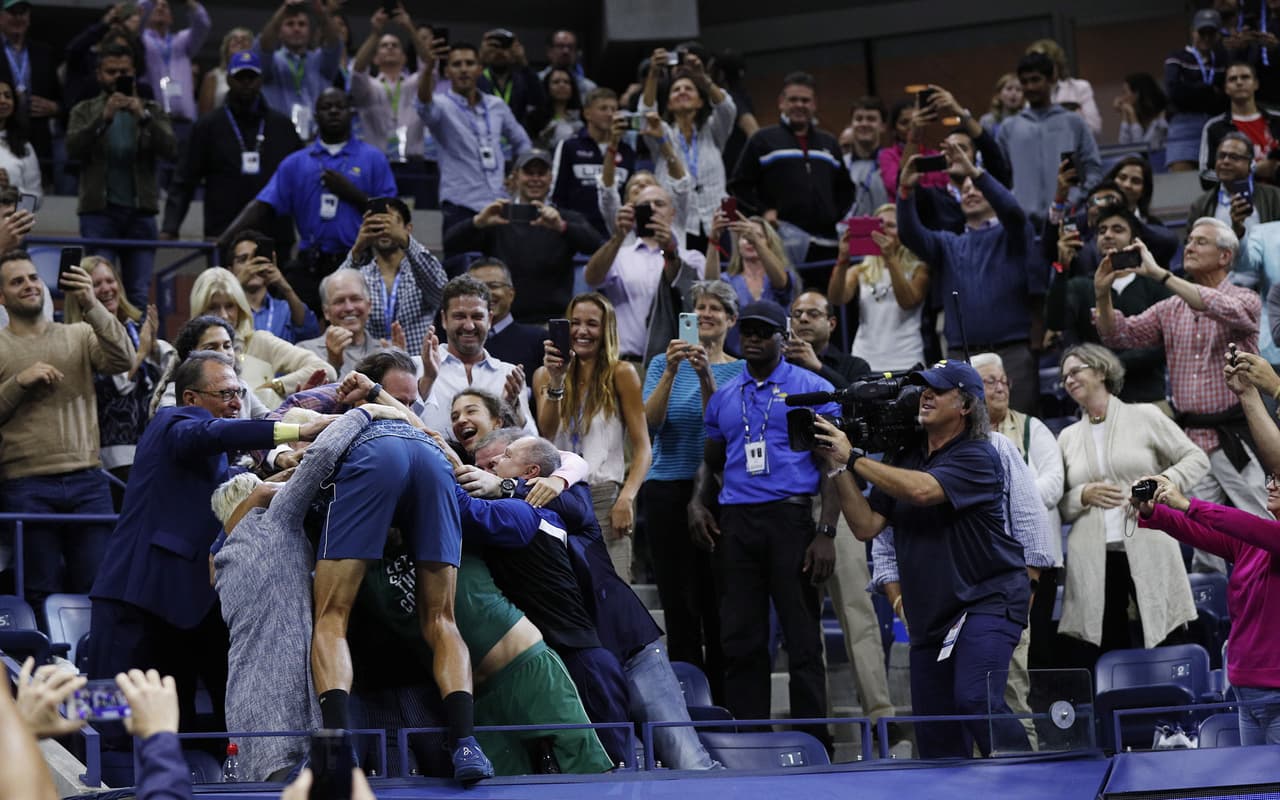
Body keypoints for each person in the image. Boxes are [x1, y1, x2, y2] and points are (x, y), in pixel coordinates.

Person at [87, 351, 334, 783]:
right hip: (135, 600)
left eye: (239, 392)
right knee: (111, 723)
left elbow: (234, 479)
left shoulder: (217, 454)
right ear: (190, 397)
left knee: (176, 727)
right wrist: (301, 428)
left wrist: (283, 466)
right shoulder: (171, 424)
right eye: (225, 393)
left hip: (190, 608)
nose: (236, 401)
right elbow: (214, 433)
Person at [817, 359, 1030, 758]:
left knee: (974, 700)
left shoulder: (978, 455)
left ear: (965, 405)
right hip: (933, 612)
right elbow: (865, 525)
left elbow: (921, 492)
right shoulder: (905, 456)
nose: (925, 394)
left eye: (938, 388)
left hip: (987, 600)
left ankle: (1032, 782)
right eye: (923, 387)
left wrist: (855, 458)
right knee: (936, 737)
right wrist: (836, 465)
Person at [470, 430, 719, 771]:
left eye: (497, 460)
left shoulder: (568, 493)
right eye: (481, 468)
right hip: (580, 657)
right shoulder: (500, 520)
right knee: (629, 767)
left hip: (628, 645)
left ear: (531, 469)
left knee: (687, 758)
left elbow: (567, 471)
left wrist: (513, 485)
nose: (487, 472)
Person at [210, 404, 403, 781]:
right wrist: (363, 413)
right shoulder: (271, 524)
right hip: (286, 709)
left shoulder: (227, 555)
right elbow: (321, 457)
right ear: (258, 496)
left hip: (246, 707)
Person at [307, 412, 493, 782]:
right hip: (431, 457)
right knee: (442, 620)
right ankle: (466, 744)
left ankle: (337, 750)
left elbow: (310, 457)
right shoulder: (409, 418)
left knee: (331, 616)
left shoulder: (332, 414)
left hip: (374, 454)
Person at [689, 300, 839, 749]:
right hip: (736, 523)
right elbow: (712, 459)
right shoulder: (725, 396)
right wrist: (697, 501)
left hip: (791, 518)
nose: (752, 338)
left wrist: (826, 532)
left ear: (783, 335)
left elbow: (833, 465)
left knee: (803, 637)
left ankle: (815, 742)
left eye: (763, 331)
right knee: (741, 637)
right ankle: (751, 741)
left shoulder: (812, 387)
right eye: (747, 331)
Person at [1131, 348, 1280, 742]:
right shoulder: (1252, 543)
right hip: (1245, 689)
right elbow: (1202, 534)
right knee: (1255, 787)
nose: (1272, 483)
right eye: (1270, 478)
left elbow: (1237, 522)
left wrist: (1187, 501)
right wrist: (1156, 511)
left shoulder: (1266, 535)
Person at [1095, 220, 1270, 553]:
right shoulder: (1170, 307)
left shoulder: (1245, 297)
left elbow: (1224, 308)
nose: (1189, 246)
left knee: (1258, 527)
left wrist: (1160, 274)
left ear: (1225, 256)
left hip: (1238, 436)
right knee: (1203, 541)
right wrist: (1102, 292)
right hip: (1191, 442)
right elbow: (1116, 334)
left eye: (1200, 242)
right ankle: (1215, 604)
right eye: (1188, 240)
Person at [1055, 344, 1208, 665]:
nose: (1068, 380)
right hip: (1093, 557)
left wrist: (1156, 486)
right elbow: (1059, 505)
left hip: (1149, 541)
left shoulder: (1145, 415)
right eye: (1064, 376)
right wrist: (1081, 495)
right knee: (1105, 649)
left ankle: (1174, 713)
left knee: (1168, 638)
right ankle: (1115, 714)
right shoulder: (1067, 437)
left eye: (1075, 371)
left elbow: (1196, 458)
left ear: (1100, 371)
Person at [0, 251, 133, 618]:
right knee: (39, 589)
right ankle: (47, 671)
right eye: (17, 281)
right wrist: (18, 383)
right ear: (1, 297)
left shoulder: (79, 333)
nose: (29, 285)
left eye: (32, 278)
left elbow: (123, 358)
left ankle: (97, 667)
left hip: (87, 480)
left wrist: (90, 302)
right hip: (25, 484)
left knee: (99, 587)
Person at [641, 280, 741, 692]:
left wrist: (704, 376)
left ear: (731, 320)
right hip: (667, 488)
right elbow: (649, 422)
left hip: (719, 489)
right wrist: (670, 371)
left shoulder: (739, 368)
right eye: (698, 306)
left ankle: (722, 700)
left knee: (718, 601)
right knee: (679, 603)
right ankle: (689, 704)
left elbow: (725, 424)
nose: (705, 313)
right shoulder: (661, 364)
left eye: (716, 307)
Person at [897, 140, 1046, 414]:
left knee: (1018, 424)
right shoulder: (948, 243)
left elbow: (1012, 212)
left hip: (1011, 353)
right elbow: (909, 234)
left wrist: (976, 173)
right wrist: (905, 190)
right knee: (965, 434)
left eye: (976, 187)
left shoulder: (1014, 234)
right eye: (964, 189)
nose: (969, 190)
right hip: (961, 356)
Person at [221, 87, 398, 313]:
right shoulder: (296, 163)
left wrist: (351, 193)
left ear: (351, 113)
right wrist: (223, 240)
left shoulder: (373, 158)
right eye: (326, 107)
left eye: (339, 107)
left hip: (359, 262)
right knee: (301, 329)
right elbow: (262, 205)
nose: (333, 112)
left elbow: (391, 214)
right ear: (315, 116)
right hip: (310, 265)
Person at [533, 292, 651, 583]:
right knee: (567, 594)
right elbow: (545, 435)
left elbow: (643, 449)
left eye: (592, 324)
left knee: (612, 595)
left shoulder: (622, 373)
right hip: (557, 495)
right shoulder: (543, 376)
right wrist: (557, 380)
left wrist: (626, 498)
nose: (582, 331)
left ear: (606, 329)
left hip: (604, 496)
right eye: (574, 323)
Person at [66, 42, 177, 309]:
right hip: (99, 212)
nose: (117, 77)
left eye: (123, 71)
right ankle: (101, 348)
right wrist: (103, 118)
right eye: (110, 71)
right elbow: (72, 150)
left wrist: (144, 116)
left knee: (138, 292)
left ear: (133, 73)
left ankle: (136, 350)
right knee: (99, 290)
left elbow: (172, 150)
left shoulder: (152, 109)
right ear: (99, 74)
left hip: (141, 213)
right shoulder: (85, 110)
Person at [971, 352, 1064, 662]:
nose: (1000, 388)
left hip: (1035, 560)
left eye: (1004, 381)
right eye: (990, 381)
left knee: (1036, 649)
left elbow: (1054, 484)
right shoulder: (965, 437)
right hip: (986, 562)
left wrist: (1007, 501)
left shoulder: (1031, 427)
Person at [162, 50, 303, 246]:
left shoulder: (282, 126)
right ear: (228, 80)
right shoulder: (208, 126)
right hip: (222, 234)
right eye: (239, 77)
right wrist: (170, 227)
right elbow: (185, 178)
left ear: (261, 80)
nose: (246, 82)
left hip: (274, 234)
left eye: (251, 77)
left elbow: (300, 180)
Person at [445, 149, 602, 323]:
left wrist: (562, 226)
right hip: (502, 320)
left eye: (541, 173)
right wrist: (477, 222)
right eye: (529, 173)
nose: (535, 179)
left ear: (551, 178)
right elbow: (450, 244)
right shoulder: (497, 217)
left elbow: (598, 247)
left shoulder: (565, 220)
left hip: (551, 320)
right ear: (516, 177)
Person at [62, 256, 171, 492]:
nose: (107, 289)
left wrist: (153, 352)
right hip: (115, 455)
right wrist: (141, 353)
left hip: (150, 446)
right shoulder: (80, 334)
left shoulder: (132, 326)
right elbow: (116, 388)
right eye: (97, 284)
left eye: (110, 281)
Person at [1046, 204, 1172, 404]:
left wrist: (1106, 365)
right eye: (1102, 231)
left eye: (1118, 229)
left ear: (1134, 239)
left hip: (1150, 399)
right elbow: (1054, 321)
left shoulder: (1154, 284)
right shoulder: (1081, 286)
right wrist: (1062, 268)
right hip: (1098, 402)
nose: (1107, 235)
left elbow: (1164, 344)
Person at [415, 41, 533, 248]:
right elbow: (424, 105)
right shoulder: (441, 105)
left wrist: (517, 175)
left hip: (499, 204)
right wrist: (428, 68)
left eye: (469, 63)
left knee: (501, 274)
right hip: (460, 206)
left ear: (479, 70)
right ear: (447, 72)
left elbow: (522, 142)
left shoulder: (496, 105)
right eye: (456, 64)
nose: (463, 69)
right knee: (461, 273)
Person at [730, 71, 852, 266]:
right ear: (781, 102)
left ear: (814, 104)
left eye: (805, 100)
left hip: (827, 242)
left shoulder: (829, 143)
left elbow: (846, 189)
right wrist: (763, 212)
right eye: (793, 100)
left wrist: (831, 215)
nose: (799, 105)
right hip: (780, 242)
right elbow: (738, 187)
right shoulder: (762, 140)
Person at [584, 183, 708, 361]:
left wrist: (670, 250)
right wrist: (618, 236)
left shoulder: (693, 258)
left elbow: (694, 300)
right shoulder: (619, 256)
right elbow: (592, 278)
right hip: (626, 363)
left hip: (677, 364)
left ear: (672, 213)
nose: (652, 209)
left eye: (659, 204)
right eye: (645, 205)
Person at [188, 267, 335, 407]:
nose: (223, 315)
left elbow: (325, 370)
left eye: (229, 306)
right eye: (213, 307)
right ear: (199, 311)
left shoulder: (258, 342)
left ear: (240, 308)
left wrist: (275, 386)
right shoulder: (186, 355)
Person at [637, 48, 736, 248]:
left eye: (689, 89)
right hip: (677, 222)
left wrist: (702, 77)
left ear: (700, 102)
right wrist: (654, 74)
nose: (682, 91)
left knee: (719, 277)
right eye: (676, 90)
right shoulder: (662, 131)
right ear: (670, 105)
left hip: (716, 221)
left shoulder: (713, 130)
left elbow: (727, 108)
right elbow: (646, 114)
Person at [416, 275, 535, 438]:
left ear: (490, 319)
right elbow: (401, 424)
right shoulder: (417, 366)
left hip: (493, 462)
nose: (469, 325)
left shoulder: (508, 374)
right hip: (430, 461)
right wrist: (427, 380)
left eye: (477, 317)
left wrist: (512, 409)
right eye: (459, 316)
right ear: (444, 319)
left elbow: (531, 441)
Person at [998, 51, 1102, 222]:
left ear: (1051, 79)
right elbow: (1000, 177)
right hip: (1024, 225)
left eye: (1035, 79)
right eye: (1024, 82)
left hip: (1068, 219)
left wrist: (1077, 198)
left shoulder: (1074, 122)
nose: (1030, 87)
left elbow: (1093, 168)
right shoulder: (1009, 128)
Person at [827, 203, 929, 372]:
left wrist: (890, 258)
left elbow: (908, 302)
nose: (884, 230)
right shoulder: (860, 270)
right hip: (864, 359)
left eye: (891, 225)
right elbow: (836, 299)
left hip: (907, 360)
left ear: (904, 231)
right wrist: (843, 258)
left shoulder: (919, 269)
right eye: (880, 225)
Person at [339, 195, 446, 357]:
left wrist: (405, 240)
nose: (384, 229)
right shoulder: (360, 275)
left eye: (391, 223)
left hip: (417, 368)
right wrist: (357, 248)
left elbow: (441, 290)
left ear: (408, 229)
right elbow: (333, 295)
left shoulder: (421, 271)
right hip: (370, 369)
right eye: (377, 224)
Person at [550, 87, 637, 238]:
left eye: (614, 109)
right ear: (587, 113)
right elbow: (556, 195)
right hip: (576, 234)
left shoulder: (627, 151)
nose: (610, 114)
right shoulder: (569, 146)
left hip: (616, 235)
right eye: (603, 108)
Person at [708, 211, 799, 355]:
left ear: (769, 243)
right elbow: (710, 289)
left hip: (777, 357)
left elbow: (782, 283)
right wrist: (713, 240)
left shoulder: (780, 275)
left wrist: (756, 241)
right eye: (745, 237)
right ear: (737, 244)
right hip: (737, 359)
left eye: (758, 236)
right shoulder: (728, 279)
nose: (750, 240)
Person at [150, 314, 271, 421]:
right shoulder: (175, 391)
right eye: (211, 348)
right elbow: (168, 424)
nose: (223, 353)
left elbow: (269, 419)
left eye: (227, 346)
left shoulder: (242, 387)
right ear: (190, 356)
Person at [348, 5, 428, 163]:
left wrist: (410, 28)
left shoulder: (413, 84)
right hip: (376, 161)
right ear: (375, 59)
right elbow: (358, 70)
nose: (390, 47)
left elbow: (429, 66)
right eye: (384, 46)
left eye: (395, 45)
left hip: (414, 162)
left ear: (404, 58)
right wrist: (375, 33)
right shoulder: (369, 86)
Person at [255, 0, 342, 140]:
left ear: (309, 31)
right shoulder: (272, 62)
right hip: (279, 137)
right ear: (279, 32)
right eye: (290, 24)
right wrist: (284, 9)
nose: (296, 29)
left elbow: (334, 43)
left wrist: (322, 13)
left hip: (318, 139)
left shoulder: (320, 61)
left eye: (302, 24)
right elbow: (264, 46)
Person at [1165, 9, 1230, 171]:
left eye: (1211, 33)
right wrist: (1209, 91)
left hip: (1217, 123)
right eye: (1202, 32)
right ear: (1193, 32)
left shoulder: (1224, 60)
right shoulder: (1177, 57)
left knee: (1221, 175)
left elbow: (1227, 97)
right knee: (1182, 181)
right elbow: (1175, 92)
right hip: (1184, 127)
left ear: (1219, 34)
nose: (1206, 38)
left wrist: (1193, 89)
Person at [228, 230, 319, 344]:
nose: (250, 265)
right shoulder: (225, 309)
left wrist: (285, 287)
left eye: (256, 258)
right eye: (243, 260)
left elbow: (311, 333)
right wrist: (235, 283)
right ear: (230, 270)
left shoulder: (286, 309)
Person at [0, 0, 60, 170]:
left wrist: (55, 108)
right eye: (13, 12)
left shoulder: (44, 52)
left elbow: (59, 96)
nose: (18, 17)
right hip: (2, 135)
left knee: (35, 190)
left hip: (38, 138)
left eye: (23, 12)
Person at [296, 268, 390, 374]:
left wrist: (399, 366)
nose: (349, 308)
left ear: (369, 306)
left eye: (355, 299)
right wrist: (332, 365)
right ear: (326, 312)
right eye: (339, 301)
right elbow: (308, 390)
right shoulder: (305, 352)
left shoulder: (386, 352)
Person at [137, 0, 209, 140]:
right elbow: (138, 16)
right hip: (154, 121)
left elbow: (203, 24)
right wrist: (149, 2)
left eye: (165, 6)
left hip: (186, 123)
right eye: (156, 5)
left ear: (171, 18)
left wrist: (188, 2)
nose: (161, 7)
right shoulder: (141, 40)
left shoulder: (181, 41)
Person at [1191, 131, 1280, 240]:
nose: (1226, 161)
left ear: (1250, 164)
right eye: (1221, 156)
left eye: (1234, 157)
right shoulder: (1200, 205)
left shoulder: (1275, 197)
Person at [1199, 61, 1280, 180]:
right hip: (1237, 197)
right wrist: (1250, 171)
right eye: (1232, 79)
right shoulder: (1214, 127)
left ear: (1256, 84)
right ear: (1226, 88)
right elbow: (1205, 176)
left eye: (1245, 77)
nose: (1239, 82)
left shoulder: (1278, 120)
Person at [467, 258, 544, 381]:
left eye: (494, 286)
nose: (486, 293)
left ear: (511, 294)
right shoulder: (457, 339)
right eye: (477, 287)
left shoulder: (538, 339)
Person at [1026, 38, 1102, 135]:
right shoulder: (1029, 93)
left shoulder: (1079, 87)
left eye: (1047, 65)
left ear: (1058, 64)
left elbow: (1095, 129)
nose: (1043, 71)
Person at [477, 28, 546, 135]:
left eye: (505, 47)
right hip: (485, 138)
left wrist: (523, 62)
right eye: (494, 47)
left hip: (517, 140)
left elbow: (540, 103)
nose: (500, 52)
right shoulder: (478, 78)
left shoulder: (523, 79)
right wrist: (480, 58)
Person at [844, 96, 890, 217]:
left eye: (871, 119)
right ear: (851, 125)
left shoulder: (892, 163)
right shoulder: (841, 163)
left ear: (882, 126)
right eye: (859, 119)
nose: (864, 124)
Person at [197, 26, 253, 116]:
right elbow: (204, 117)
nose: (239, 40)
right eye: (234, 39)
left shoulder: (256, 76)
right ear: (227, 49)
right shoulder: (213, 76)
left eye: (244, 39)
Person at [0, 80, 38, 199]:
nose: (3, 100)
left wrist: (12, 189)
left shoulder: (24, 146)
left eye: (8, 96)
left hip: (12, 216)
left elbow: (36, 196)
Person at [529, 67, 583, 151]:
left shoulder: (582, 115)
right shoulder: (535, 117)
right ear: (547, 87)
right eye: (556, 82)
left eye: (566, 82)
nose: (562, 85)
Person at [1115, 72, 1169, 151]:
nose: (1122, 98)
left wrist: (1132, 114)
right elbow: (1123, 146)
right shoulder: (1139, 116)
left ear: (1137, 94)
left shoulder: (1161, 118)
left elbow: (1141, 150)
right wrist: (1125, 115)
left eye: (1125, 92)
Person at [538, 30, 596, 97]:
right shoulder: (537, 82)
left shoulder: (589, 88)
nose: (566, 51)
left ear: (576, 52)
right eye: (560, 46)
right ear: (549, 51)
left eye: (570, 47)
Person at [979, 73, 1024, 140]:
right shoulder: (987, 121)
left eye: (1018, 90)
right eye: (1009, 89)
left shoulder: (1027, 121)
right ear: (998, 94)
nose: (1014, 93)